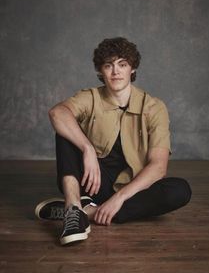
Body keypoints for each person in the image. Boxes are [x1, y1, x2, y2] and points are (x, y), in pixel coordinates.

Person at [35, 37, 192, 246]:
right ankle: (73, 209)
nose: (115, 72)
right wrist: (87, 148)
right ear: (101, 72)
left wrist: (119, 199)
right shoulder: (91, 97)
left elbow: (158, 166)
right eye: (108, 65)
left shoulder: (154, 107)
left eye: (122, 64)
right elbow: (57, 113)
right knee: (65, 130)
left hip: (132, 189)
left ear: (132, 69)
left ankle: (87, 212)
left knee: (179, 190)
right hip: (91, 183)